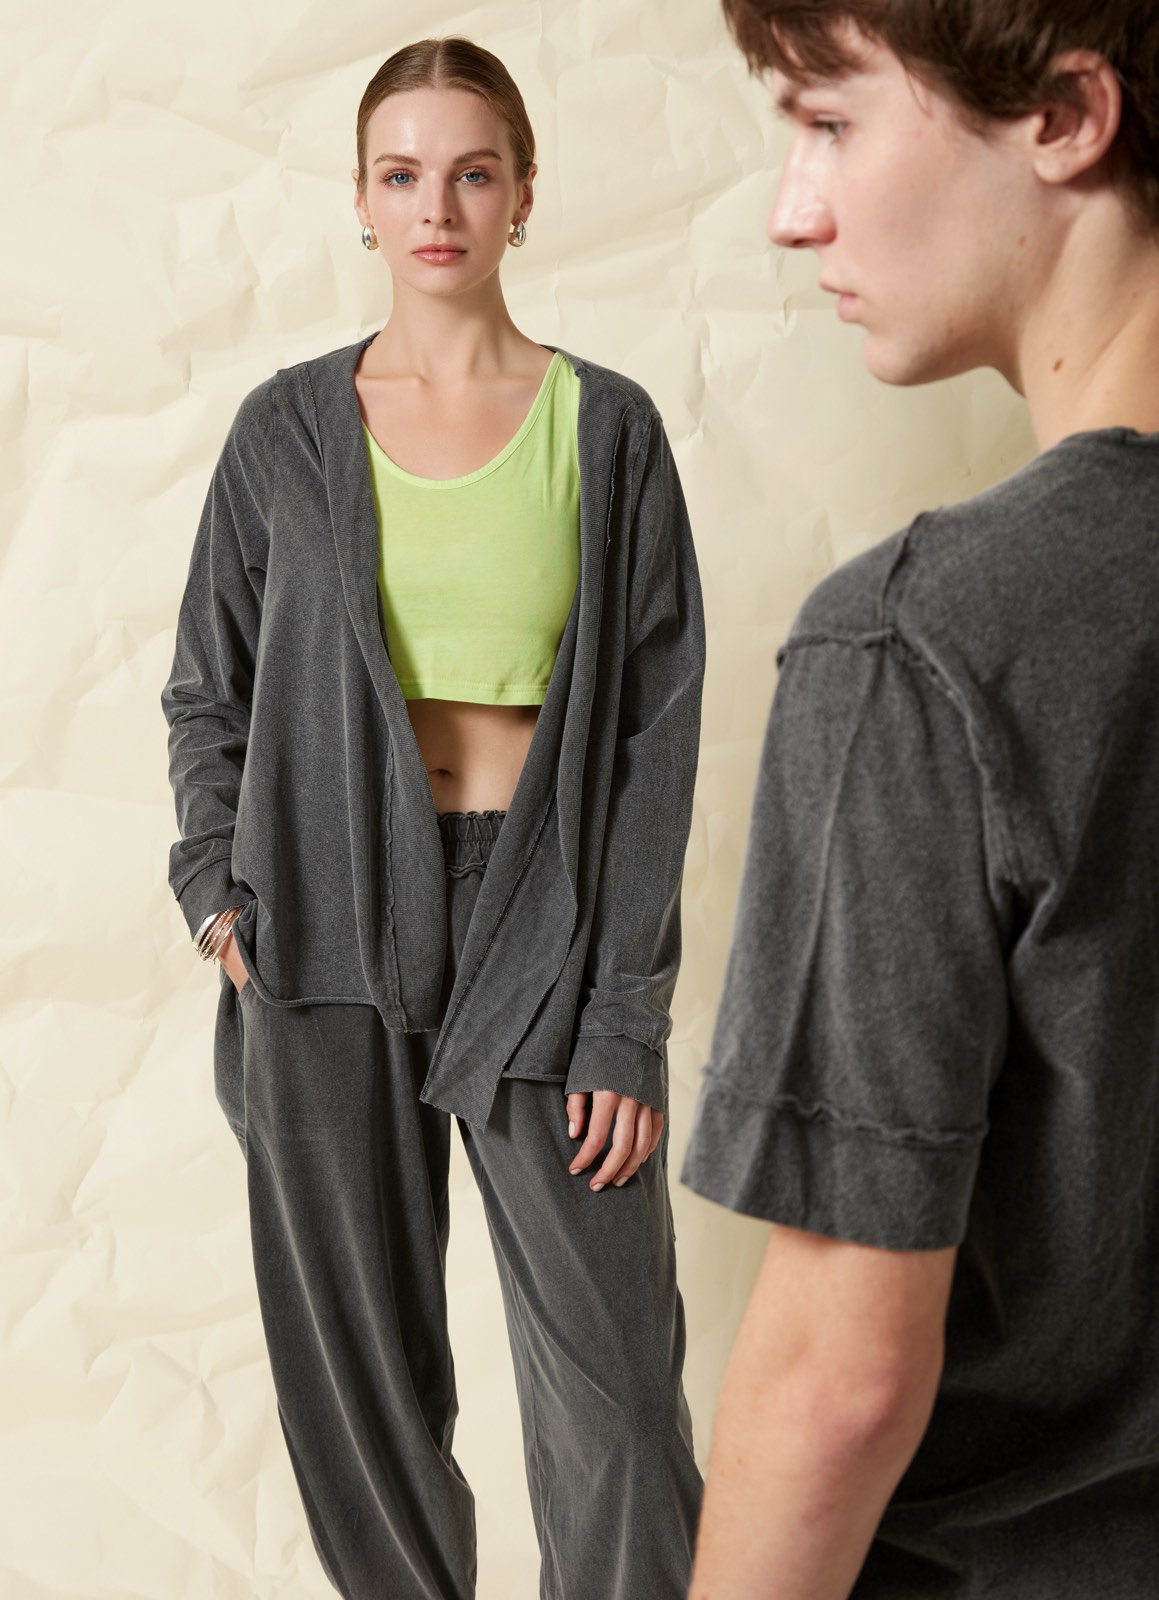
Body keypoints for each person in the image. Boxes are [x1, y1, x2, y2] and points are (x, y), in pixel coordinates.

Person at [161, 36, 704, 1600]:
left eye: (473, 173)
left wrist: (623, 1018)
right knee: (367, 1391)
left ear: (524, 193)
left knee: (619, 1389)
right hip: (322, 917)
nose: (437, 208)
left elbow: (651, 742)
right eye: (403, 175)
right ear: (361, 199)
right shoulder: (284, 433)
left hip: (544, 918)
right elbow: (208, 690)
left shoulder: (608, 432)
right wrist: (215, 888)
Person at [680, 1, 1159, 1596]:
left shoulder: (921, 649)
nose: (792, 210)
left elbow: (841, 1377)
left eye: (831, 122)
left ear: (1066, 115)